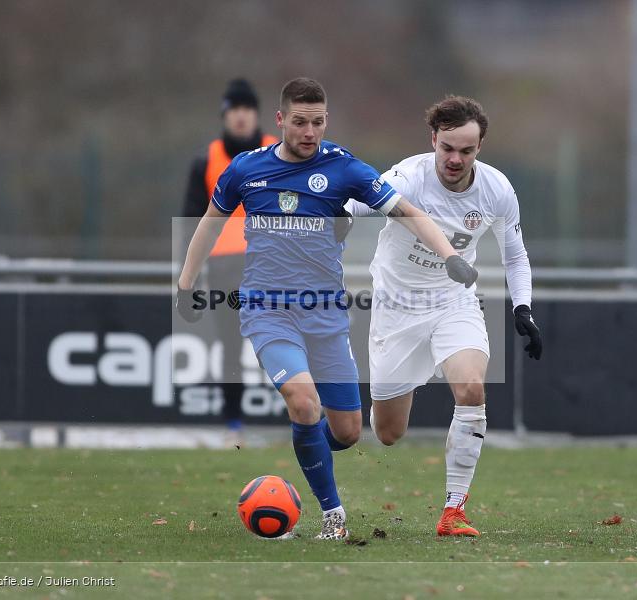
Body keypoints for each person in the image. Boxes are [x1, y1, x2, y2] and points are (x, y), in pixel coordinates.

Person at [176, 78, 478, 539]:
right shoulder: (245, 170)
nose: (309, 131)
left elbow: (409, 212)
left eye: (317, 122)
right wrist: (185, 284)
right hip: (267, 311)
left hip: (326, 316)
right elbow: (208, 225)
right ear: (280, 121)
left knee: (349, 430)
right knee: (303, 403)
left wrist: (451, 257)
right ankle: (332, 515)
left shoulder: (344, 168)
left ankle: (308, 449)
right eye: (299, 122)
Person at [345, 95, 542, 537]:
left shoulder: (496, 189)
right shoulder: (405, 178)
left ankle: (454, 511)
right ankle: (377, 409)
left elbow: (516, 255)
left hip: (454, 301)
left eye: (466, 151)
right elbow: (351, 210)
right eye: (447, 148)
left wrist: (524, 308)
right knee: (388, 433)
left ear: (480, 148)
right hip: (396, 309)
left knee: (472, 388)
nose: (455, 159)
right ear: (433, 139)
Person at [183, 79, 279, 446]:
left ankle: (303, 415)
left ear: (257, 114)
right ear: (225, 115)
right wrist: (187, 279)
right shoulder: (207, 160)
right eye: (234, 110)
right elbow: (191, 221)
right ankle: (233, 424)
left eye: (247, 109)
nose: (241, 116)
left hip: (273, 263)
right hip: (224, 268)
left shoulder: (280, 151)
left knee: (286, 337)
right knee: (230, 346)